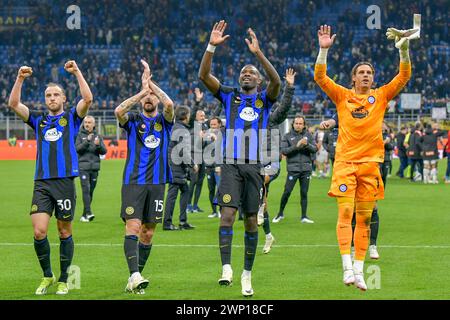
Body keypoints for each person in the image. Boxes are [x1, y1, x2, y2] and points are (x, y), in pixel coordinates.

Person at [314, 24, 411, 290]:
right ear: (353, 78)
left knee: (365, 218)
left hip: (371, 165)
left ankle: (359, 270)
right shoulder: (342, 96)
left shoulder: (380, 97)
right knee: (346, 212)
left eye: (369, 73)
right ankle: (346, 267)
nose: (366, 76)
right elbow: (320, 77)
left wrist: (404, 49)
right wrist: (323, 51)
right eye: (362, 73)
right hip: (345, 163)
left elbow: (403, 77)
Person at [199, 20, 281, 297]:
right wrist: (211, 46)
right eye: (243, 72)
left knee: (249, 221)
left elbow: (278, 82)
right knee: (226, 217)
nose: (246, 74)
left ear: (258, 81)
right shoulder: (229, 96)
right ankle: (226, 268)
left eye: (251, 73)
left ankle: (247, 273)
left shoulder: (264, 100)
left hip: (254, 167)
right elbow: (204, 76)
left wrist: (258, 54)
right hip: (231, 164)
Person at [8, 60, 93, 295]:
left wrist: (77, 71)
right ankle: (48, 275)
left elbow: (88, 99)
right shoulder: (38, 120)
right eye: (48, 95)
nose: (52, 98)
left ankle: (65, 278)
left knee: (64, 232)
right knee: (39, 232)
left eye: (56, 94)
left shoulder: (73, 119)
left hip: (65, 181)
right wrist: (20, 78)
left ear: (64, 99)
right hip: (42, 182)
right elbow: (13, 103)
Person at [114, 59, 174, 294]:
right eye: (146, 97)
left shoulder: (164, 122)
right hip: (133, 183)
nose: (149, 99)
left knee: (148, 232)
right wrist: (141, 91)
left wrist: (151, 84)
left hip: (158, 183)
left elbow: (169, 103)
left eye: (152, 96)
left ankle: (134, 276)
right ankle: (135, 274)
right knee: (134, 226)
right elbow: (118, 110)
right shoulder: (133, 122)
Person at [259, 68, 297, 254]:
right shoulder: (249, 120)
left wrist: (289, 87)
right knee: (259, 197)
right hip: (255, 162)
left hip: (272, 161)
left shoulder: (272, 118)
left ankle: (259, 209)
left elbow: (284, 107)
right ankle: (268, 235)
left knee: (261, 181)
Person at [272, 114, 317, 224]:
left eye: (300, 123)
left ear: (304, 125)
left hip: (306, 169)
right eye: (296, 123)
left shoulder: (308, 135)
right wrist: (297, 146)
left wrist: (306, 145)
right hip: (293, 169)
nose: (298, 125)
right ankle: (280, 214)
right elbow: (284, 151)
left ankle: (304, 216)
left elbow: (315, 149)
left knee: (304, 193)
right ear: (293, 124)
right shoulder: (287, 136)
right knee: (287, 192)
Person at [163, 106, 196, 231]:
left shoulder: (174, 127)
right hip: (176, 166)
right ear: (186, 116)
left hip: (174, 165)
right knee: (172, 194)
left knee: (185, 191)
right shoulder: (182, 130)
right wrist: (193, 164)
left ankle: (183, 221)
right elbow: (183, 151)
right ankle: (167, 223)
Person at [76, 116, 107, 222]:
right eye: (85, 122)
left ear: (94, 124)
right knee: (86, 189)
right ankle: (89, 212)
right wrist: (87, 141)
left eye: (89, 122)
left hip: (94, 168)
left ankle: (84, 215)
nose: (87, 124)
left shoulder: (98, 136)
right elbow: (78, 149)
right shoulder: (79, 135)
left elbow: (104, 151)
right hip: (83, 167)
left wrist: (98, 146)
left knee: (91, 191)